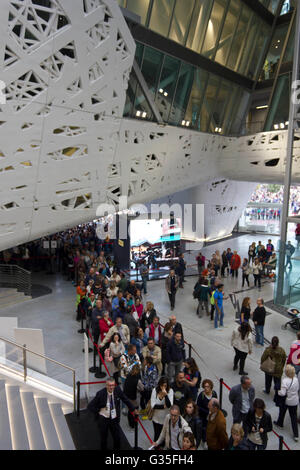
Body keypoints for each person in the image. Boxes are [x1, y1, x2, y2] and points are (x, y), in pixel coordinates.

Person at [87, 377, 139, 450]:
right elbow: (90, 406)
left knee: (117, 437)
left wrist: (133, 409)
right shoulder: (100, 394)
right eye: (109, 385)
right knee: (104, 438)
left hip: (114, 418)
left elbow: (125, 399)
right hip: (103, 419)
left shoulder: (117, 390)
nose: (111, 387)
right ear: (106, 385)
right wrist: (99, 410)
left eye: (113, 385)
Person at [274, 365, 299, 442]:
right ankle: (296, 434)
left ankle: (280, 423)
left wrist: (278, 391)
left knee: (282, 412)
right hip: (294, 400)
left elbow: (282, 393)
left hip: (286, 400)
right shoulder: (296, 379)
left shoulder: (285, 381)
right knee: (293, 417)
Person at [151, 377, 174, 442]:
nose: (163, 388)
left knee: (164, 436)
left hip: (165, 419)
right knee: (156, 435)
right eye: (162, 385)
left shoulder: (170, 391)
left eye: (165, 386)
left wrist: (166, 395)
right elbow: (153, 405)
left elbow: (169, 405)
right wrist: (163, 406)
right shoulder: (155, 390)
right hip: (156, 418)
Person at [197, 379, 218, 447]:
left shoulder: (214, 394)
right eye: (205, 386)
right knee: (204, 428)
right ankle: (204, 440)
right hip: (204, 416)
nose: (206, 388)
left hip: (212, 415)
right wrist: (207, 412)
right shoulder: (201, 395)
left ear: (211, 387)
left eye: (208, 386)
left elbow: (216, 404)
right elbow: (198, 406)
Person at [123, 364, 143, 429]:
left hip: (128, 397)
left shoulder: (128, 376)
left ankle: (130, 423)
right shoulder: (138, 381)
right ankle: (134, 424)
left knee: (130, 411)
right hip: (135, 398)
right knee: (135, 411)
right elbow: (142, 388)